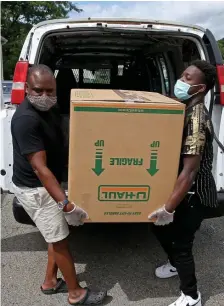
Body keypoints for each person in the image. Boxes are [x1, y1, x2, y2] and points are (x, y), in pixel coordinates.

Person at [11, 64, 107, 305]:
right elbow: (40, 168)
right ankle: (76, 294)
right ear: (26, 88)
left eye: (50, 91)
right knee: (60, 241)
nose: (44, 97)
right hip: (36, 189)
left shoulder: (51, 108)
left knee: (57, 234)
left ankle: (50, 282)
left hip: (49, 182)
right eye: (38, 91)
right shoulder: (25, 120)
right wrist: (65, 204)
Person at [148, 60, 218, 306]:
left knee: (181, 243)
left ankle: (191, 296)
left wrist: (168, 208)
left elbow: (190, 170)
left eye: (187, 78)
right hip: (183, 190)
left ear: (199, 88)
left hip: (194, 193)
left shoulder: (196, 119)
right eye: (182, 75)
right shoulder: (183, 109)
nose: (180, 81)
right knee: (158, 226)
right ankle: (176, 265)